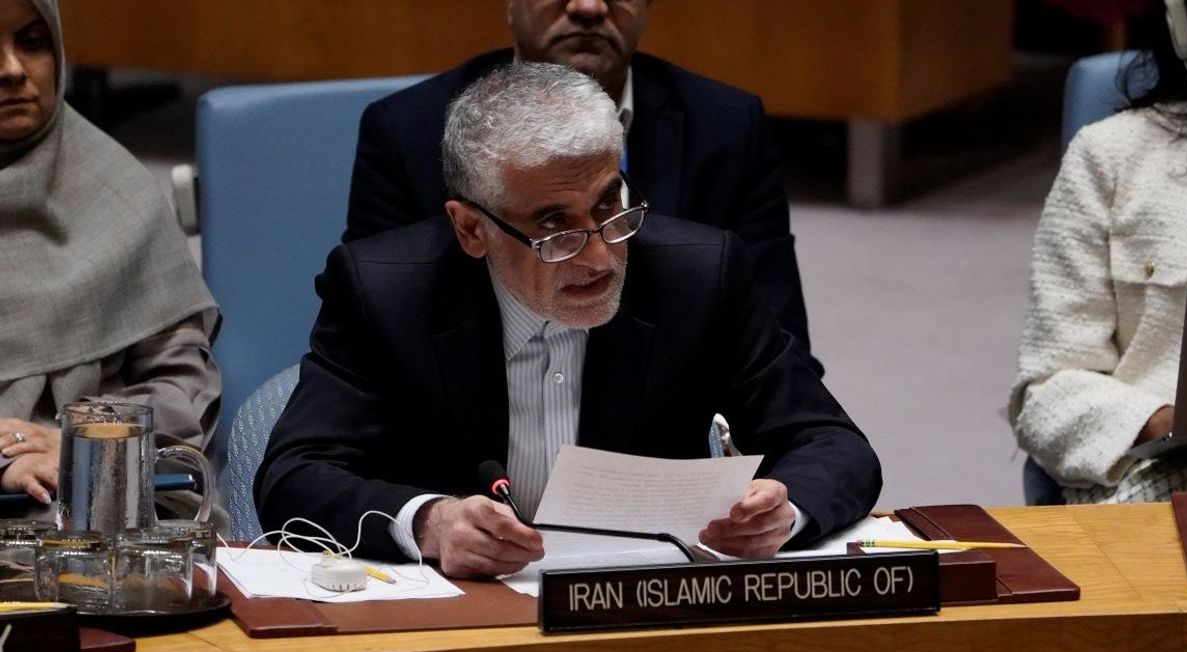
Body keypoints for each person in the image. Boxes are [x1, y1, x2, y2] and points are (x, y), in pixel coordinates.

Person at [258, 62, 880, 579]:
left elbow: (833, 444)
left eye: (609, 204)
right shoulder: (386, 291)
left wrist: (785, 508)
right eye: (554, 227)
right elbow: (294, 475)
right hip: (455, 616)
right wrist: (429, 521)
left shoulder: (698, 277)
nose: (601, 255)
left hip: (641, 603)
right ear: (472, 229)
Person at [344, 0, 817, 362]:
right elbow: (372, 329)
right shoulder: (409, 131)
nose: (589, 7)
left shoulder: (727, 126)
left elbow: (780, 341)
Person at [1009, 0, 1187, 504]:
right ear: (1184, 24)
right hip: (1161, 478)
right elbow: (1048, 392)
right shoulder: (1114, 158)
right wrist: (1163, 421)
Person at [0, 0, 222, 518]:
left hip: (104, 505)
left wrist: (83, 444)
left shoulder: (119, 194)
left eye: (31, 43)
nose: (11, 70)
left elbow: (182, 385)